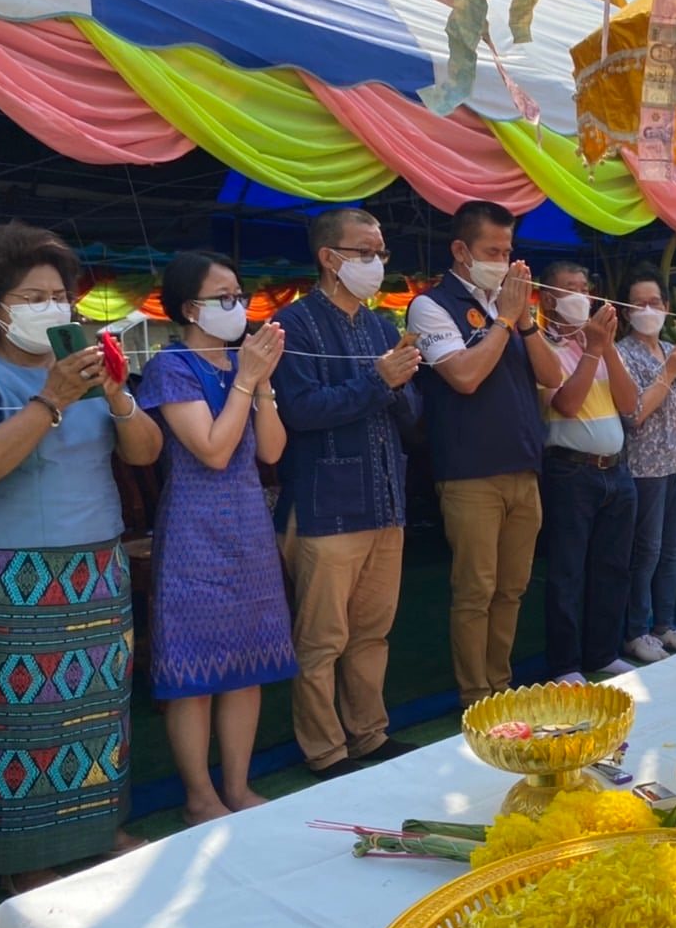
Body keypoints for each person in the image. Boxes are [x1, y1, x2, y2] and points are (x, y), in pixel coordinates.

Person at [0, 222, 162, 893]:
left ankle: (98, 831)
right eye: (33, 294)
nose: (53, 306)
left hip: (93, 562)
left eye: (60, 294)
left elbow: (146, 452)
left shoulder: (84, 363)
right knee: (11, 723)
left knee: (98, 709)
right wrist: (51, 399)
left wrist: (118, 393)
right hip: (4, 574)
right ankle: (18, 856)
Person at [136, 252, 298, 822]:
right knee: (193, 675)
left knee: (246, 666)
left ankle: (237, 785)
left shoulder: (241, 366)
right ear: (190, 308)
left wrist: (264, 386)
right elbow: (212, 448)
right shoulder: (171, 366)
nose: (240, 306)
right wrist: (247, 382)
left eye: (239, 294)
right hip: (194, 531)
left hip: (250, 527)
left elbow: (271, 452)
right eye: (224, 296)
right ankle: (199, 797)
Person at [273, 209, 422, 779]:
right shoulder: (295, 326)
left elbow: (411, 414)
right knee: (321, 641)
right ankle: (325, 750)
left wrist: (402, 384)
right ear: (329, 259)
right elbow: (302, 411)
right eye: (364, 253)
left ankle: (368, 734)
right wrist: (378, 381)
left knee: (372, 632)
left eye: (380, 253)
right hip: (326, 506)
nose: (377, 264)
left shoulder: (383, 326)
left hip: (386, 500)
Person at [406, 201, 563, 709]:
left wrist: (524, 322)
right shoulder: (433, 305)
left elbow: (551, 376)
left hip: (523, 467)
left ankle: (502, 683)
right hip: (470, 472)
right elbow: (465, 376)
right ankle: (477, 696)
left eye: (508, 250)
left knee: (512, 588)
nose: (503, 259)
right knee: (476, 589)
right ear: (461, 250)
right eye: (492, 251)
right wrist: (505, 321)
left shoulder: (509, 306)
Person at [537, 262, 640, 680]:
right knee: (567, 571)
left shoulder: (601, 346)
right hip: (571, 472)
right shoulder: (545, 348)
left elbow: (629, 401)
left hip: (616, 471)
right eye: (569, 288)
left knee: (613, 567)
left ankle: (601, 653)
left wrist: (606, 347)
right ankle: (565, 664)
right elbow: (566, 404)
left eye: (585, 287)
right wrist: (594, 349)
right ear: (548, 299)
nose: (581, 295)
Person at [615, 268, 676, 663]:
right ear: (624, 311)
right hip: (647, 465)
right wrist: (670, 373)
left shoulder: (673, 350)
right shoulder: (622, 353)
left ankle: (666, 624)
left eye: (655, 303)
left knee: (673, 548)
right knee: (647, 550)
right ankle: (637, 630)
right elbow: (635, 412)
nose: (648, 310)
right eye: (639, 304)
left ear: (667, 309)